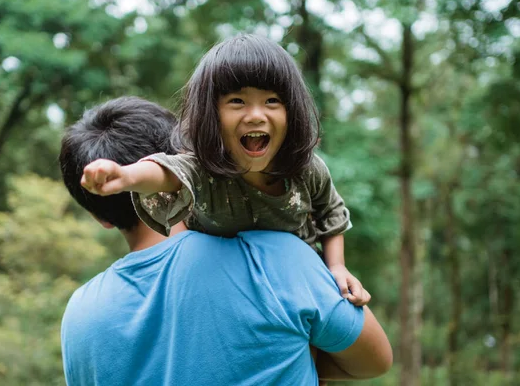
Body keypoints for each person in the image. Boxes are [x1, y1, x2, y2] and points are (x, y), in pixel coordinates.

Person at [59, 96, 392, 385]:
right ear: (188, 163)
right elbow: (376, 360)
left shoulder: (78, 315)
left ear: (98, 216)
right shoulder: (276, 258)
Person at [80, 34, 369, 305]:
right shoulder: (203, 171)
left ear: (291, 110)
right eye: (237, 102)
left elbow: (331, 213)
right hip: (228, 293)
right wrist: (126, 176)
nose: (256, 115)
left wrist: (337, 267)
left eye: (272, 101)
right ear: (210, 116)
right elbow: (165, 174)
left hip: (298, 290)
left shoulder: (307, 170)